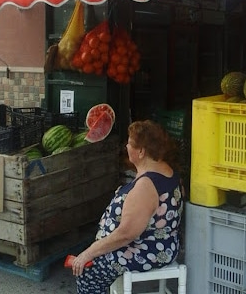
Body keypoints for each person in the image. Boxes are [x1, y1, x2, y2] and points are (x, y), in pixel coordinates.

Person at [71, 120, 184, 294]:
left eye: (130, 143)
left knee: (88, 272)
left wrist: (88, 253)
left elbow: (126, 234)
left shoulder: (146, 187)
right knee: (93, 257)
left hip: (147, 250)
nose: (126, 146)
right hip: (163, 244)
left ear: (141, 152)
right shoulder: (166, 170)